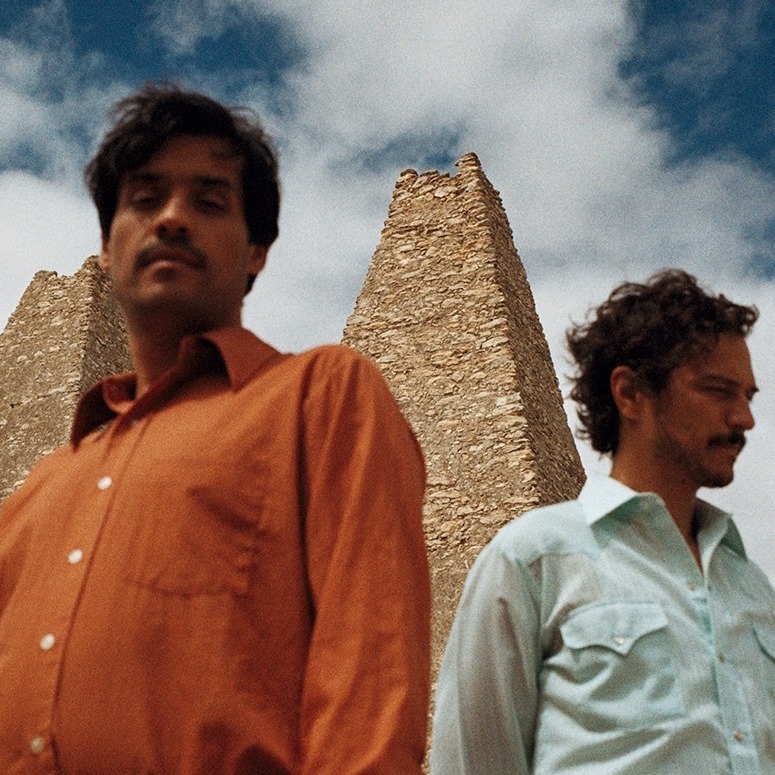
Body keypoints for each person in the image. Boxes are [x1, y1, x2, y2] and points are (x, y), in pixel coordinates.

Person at [0, 84, 430, 774]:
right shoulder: (39, 489)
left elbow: (369, 672)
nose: (172, 218)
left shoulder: (319, 397)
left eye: (209, 202)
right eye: (145, 199)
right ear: (105, 247)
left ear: (256, 251)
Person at [430, 269, 775, 774]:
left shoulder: (752, 589)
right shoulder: (533, 560)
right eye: (718, 391)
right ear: (630, 393)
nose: (744, 419)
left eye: (748, 396)